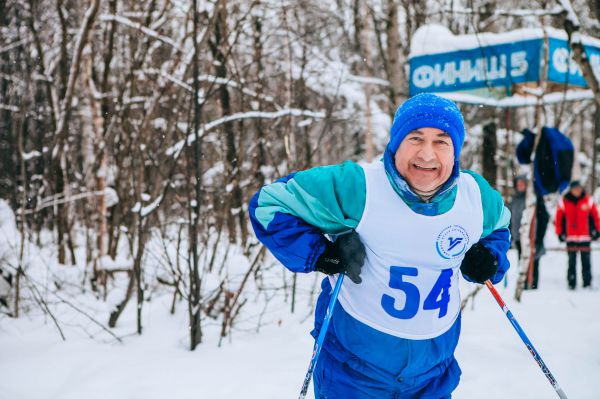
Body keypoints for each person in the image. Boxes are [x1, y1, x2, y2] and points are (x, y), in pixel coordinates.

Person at [249, 93, 511, 398]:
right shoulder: (359, 187)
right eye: (415, 138)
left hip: (432, 377)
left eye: (442, 141)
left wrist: (489, 256)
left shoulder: (476, 196)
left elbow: (501, 226)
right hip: (354, 374)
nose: (427, 154)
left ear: (455, 151)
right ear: (396, 143)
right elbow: (268, 205)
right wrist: (321, 254)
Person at [555, 180, 600, 289]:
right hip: (570, 238)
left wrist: (597, 231)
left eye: (579, 188)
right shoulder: (564, 202)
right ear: (571, 189)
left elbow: (596, 216)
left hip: (585, 237)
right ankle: (571, 283)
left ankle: (587, 283)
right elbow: (558, 219)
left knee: (586, 261)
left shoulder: (588, 201)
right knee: (571, 262)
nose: (578, 191)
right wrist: (560, 233)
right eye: (575, 188)